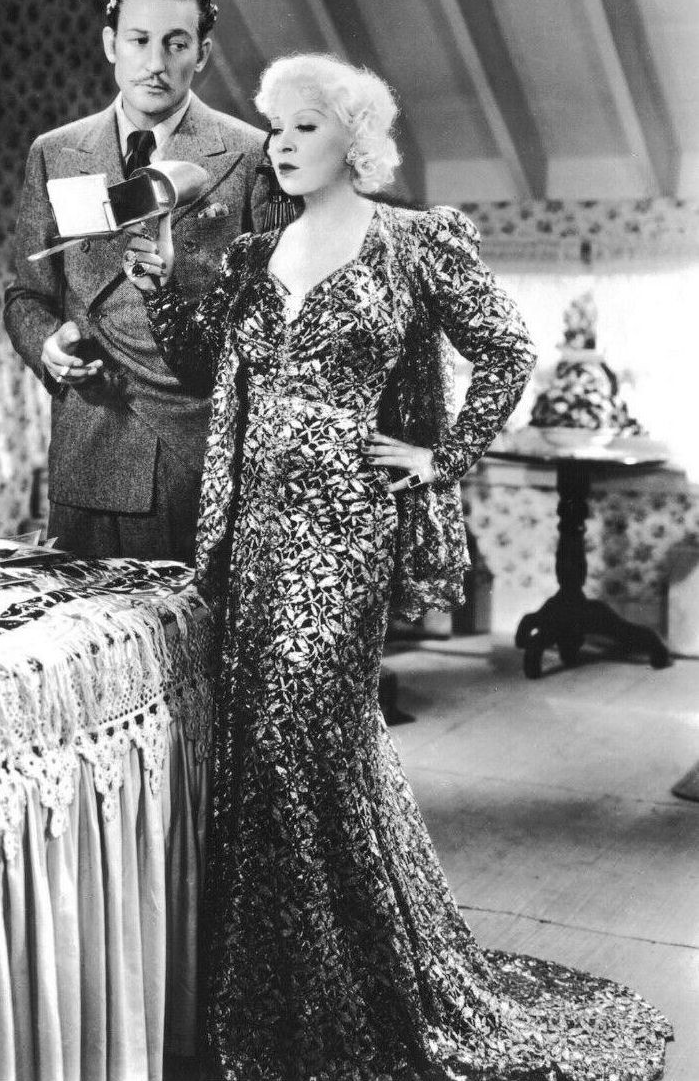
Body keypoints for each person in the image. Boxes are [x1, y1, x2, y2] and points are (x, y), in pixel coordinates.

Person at [125, 54, 672, 1080]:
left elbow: (506, 349)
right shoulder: (256, 253)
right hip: (253, 528)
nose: (282, 142)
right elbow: (206, 364)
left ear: (356, 141)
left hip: (344, 526)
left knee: (303, 735)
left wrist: (439, 458)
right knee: (270, 750)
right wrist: (162, 290)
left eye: (306, 125)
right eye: (275, 126)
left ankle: (352, 992)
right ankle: (285, 990)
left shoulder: (411, 242)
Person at [4, 0, 267, 562]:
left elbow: (267, 315)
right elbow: (26, 295)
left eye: (176, 44)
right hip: (89, 442)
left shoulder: (250, 153)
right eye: (139, 40)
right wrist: (47, 345)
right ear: (110, 45)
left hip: (195, 448)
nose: (155, 63)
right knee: (84, 614)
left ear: (201, 54)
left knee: (186, 617)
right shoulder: (55, 153)